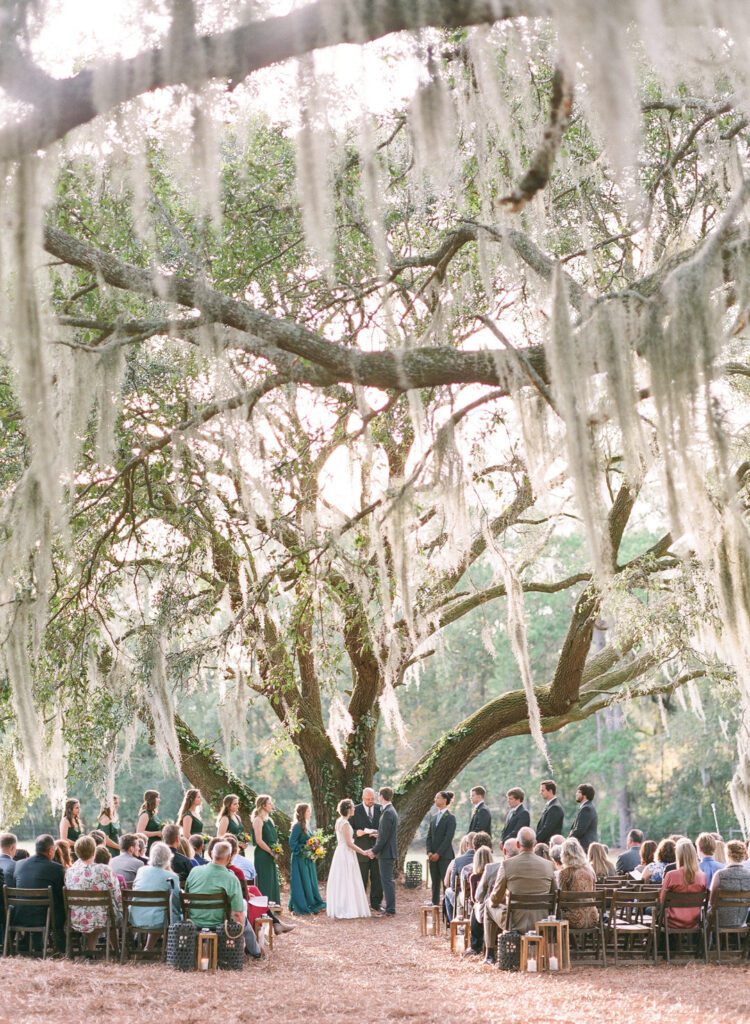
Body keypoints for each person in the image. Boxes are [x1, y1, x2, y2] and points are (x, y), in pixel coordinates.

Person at [483, 827, 556, 965]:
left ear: (517, 844)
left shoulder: (507, 864)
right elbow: (554, 893)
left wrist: (497, 903)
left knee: (488, 905)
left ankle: (490, 954)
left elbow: (495, 899)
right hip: (542, 920)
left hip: (514, 922)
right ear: (535, 844)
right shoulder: (548, 865)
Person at [184, 840, 260, 957]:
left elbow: (187, 895)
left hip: (194, 919)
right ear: (229, 857)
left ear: (212, 854)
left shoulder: (195, 871)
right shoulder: (231, 878)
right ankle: (256, 952)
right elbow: (237, 913)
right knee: (243, 918)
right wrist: (238, 939)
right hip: (220, 922)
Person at [65, 834, 122, 951]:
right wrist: (121, 909)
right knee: (110, 911)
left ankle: (90, 950)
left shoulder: (70, 871)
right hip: (101, 917)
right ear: (94, 851)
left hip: (77, 917)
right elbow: (117, 893)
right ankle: (116, 949)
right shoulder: (104, 869)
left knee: (95, 909)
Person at [13, 834, 66, 953]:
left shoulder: (19, 864)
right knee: (60, 905)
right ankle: (61, 948)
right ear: (51, 850)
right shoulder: (56, 868)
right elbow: (61, 895)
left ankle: (33, 944)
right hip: (45, 918)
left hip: (20, 915)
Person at [326, 799, 371, 919]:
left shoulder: (339, 821)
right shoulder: (345, 824)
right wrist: (363, 852)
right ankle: (346, 907)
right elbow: (349, 843)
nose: (355, 809)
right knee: (346, 878)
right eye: (353, 807)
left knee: (344, 879)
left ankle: (343, 905)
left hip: (341, 852)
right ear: (348, 809)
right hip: (345, 853)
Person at [129, 840, 181, 942]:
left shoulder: (141, 871)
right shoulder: (171, 876)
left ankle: (147, 948)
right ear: (168, 858)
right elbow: (176, 900)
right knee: (171, 913)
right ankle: (167, 947)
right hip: (158, 920)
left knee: (157, 910)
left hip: (136, 916)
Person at [660, 838, 706, 930]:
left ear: (678, 855)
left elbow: (662, 899)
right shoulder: (702, 876)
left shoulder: (671, 875)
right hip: (694, 920)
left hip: (671, 921)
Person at [289, 802, 326, 915]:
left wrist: (315, 846)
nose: (310, 813)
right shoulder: (298, 826)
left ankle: (313, 901)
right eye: (308, 811)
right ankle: (302, 904)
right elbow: (292, 843)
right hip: (300, 858)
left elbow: (309, 840)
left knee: (310, 881)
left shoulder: (307, 824)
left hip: (308, 858)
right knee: (302, 880)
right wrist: (304, 848)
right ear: (303, 812)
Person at [350, 788, 383, 912]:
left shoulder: (380, 809)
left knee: (377, 878)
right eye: (368, 799)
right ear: (363, 798)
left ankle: (376, 904)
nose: (370, 801)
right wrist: (356, 833)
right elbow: (348, 830)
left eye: (372, 799)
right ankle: (361, 905)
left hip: (377, 850)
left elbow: (386, 828)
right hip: (361, 850)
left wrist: (379, 833)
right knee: (361, 878)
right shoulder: (355, 810)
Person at [369, 787, 399, 916]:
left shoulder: (387, 812)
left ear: (381, 796)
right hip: (388, 852)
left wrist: (373, 851)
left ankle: (391, 909)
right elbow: (385, 833)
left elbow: (385, 837)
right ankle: (390, 908)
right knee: (387, 880)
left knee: (387, 881)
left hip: (386, 853)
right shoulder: (390, 810)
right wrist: (378, 833)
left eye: (378, 795)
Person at [558, 837, 598, 929]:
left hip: (574, 919)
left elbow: (562, 900)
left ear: (564, 854)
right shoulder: (590, 871)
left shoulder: (565, 873)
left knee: (553, 917)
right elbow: (593, 896)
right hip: (593, 918)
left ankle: (563, 943)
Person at [709, 839, 750, 927]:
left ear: (728, 855)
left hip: (720, 920)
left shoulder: (720, 874)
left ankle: (710, 941)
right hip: (742, 920)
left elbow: (711, 901)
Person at [425, 790, 457, 906]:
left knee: (445, 880)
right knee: (434, 880)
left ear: (444, 800)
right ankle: (434, 902)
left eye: (437, 797)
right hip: (432, 855)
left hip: (445, 856)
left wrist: (438, 853)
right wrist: (429, 852)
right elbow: (429, 836)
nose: (435, 800)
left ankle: (447, 903)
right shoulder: (433, 817)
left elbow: (448, 838)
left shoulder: (450, 818)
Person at [252, 794, 281, 904]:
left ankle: (273, 903)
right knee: (265, 879)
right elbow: (259, 840)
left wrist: (276, 850)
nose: (272, 805)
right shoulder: (258, 820)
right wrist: (270, 851)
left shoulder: (270, 820)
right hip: (262, 854)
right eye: (269, 803)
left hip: (271, 854)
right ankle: (264, 905)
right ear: (263, 805)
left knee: (272, 879)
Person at [568, 784, 598, 851]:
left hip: (585, 847)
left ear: (584, 795)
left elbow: (579, 830)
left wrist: (567, 840)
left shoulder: (586, 808)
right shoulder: (587, 807)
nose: (576, 794)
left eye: (578, 792)